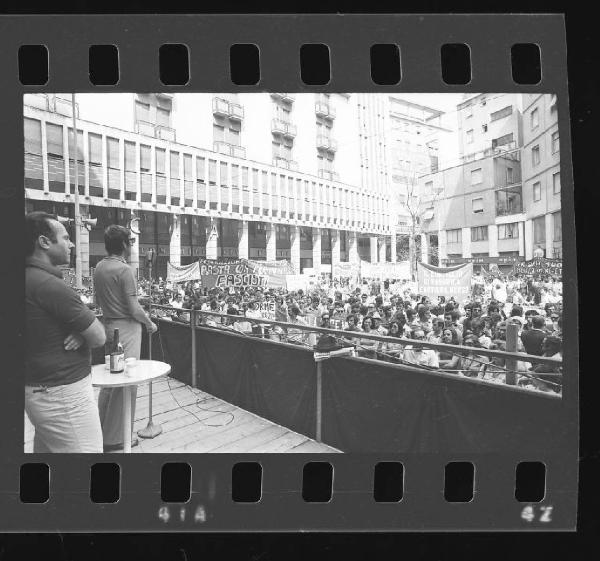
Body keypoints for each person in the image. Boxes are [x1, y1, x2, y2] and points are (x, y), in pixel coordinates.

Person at [25, 212, 107, 453]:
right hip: (62, 396)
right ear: (44, 242)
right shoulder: (49, 285)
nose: (71, 244)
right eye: (66, 237)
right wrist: (85, 333)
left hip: (42, 391)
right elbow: (99, 337)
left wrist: (80, 333)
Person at [93, 225, 158, 452]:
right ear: (123, 245)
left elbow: (96, 301)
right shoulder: (125, 270)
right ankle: (117, 438)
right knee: (126, 384)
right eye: (129, 242)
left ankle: (101, 433)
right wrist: (149, 322)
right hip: (128, 330)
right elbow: (133, 308)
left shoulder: (99, 267)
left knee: (110, 384)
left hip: (108, 326)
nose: (131, 246)